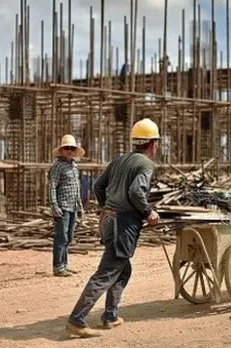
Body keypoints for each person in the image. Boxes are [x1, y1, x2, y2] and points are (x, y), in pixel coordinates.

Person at [65, 118, 161, 338]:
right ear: (152, 143)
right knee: (107, 272)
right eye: (156, 142)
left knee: (123, 269)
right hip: (123, 224)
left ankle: (110, 316)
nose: (157, 146)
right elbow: (137, 192)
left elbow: (99, 185)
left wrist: (108, 207)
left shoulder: (119, 160)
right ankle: (76, 320)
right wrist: (148, 212)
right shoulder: (145, 164)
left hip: (109, 221)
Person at [48, 134, 85, 277]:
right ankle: (58, 267)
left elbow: (77, 189)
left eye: (71, 148)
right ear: (62, 150)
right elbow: (52, 187)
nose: (69, 150)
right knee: (61, 237)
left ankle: (64, 265)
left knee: (68, 237)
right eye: (66, 148)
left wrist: (80, 206)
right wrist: (54, 206)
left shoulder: (74, 167)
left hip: (73, 207)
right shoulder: (57, 167)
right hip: (62, 207)